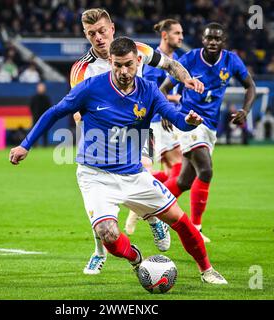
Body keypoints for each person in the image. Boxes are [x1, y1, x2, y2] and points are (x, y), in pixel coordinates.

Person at [9, 37, 227, 285]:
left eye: (129, 65)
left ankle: (207, 270)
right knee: (107, 234)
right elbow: (54, 112)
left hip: (135, 175)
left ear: (137, 61)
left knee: (181, 221)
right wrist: (25, 144)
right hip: (96, 176)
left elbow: (174, 117)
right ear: (110, 62)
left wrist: (188, 121)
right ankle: (136, 258)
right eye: (118, 65)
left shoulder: (149, 91)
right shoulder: (90, 87)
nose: (124, 71)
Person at [69, 8, 204, 275]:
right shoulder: (82, 69)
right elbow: (75, 111)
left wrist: (186, 79)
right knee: (100, 198)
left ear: (112, 29)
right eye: (91, 33)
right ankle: (100, 251)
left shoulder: (136, 50)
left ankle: (152, 218)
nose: (98, 37)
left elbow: (170, 65)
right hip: (100, 140)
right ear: (86, 35)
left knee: (137, 175)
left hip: (137, 132)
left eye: (102, 31)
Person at [159, 22, 256, 242]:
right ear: (203, 40)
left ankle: (152, 209)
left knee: (184, 181)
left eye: (217, 39)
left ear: (223, 42)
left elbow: (250, 85)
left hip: (210, 126)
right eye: (209, 38)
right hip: (189, 121)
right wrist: (165, 112)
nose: (212, 42)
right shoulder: (190, 60)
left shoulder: (231, 61)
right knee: (206, 170)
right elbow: (163, 89)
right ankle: (196, 228)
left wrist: (245, 110)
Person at [125, 19, 184, 235]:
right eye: (177, 33)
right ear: (165, 35)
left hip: (164, 121)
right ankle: (149, 214)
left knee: (170, 171)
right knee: (175, 167)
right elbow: (150, 92)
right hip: (152, 123)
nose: (181, 37)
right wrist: (169, 101)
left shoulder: (174, 60)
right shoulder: (150, 59)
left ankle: (153, 215)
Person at [30, 82, 52, 146]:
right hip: (36, 117)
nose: (41, 89)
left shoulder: (47, 98)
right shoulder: (34, 98)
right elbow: (31, 106)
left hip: (44, 117)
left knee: (45, 131)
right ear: (37, 89)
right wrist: (34, 114)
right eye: (40, 88)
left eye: (42, 88)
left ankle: (45, 144)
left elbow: (49, 108)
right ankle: (34, 144)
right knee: (34, 131)